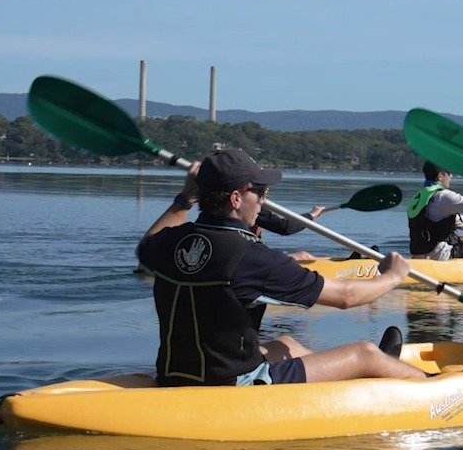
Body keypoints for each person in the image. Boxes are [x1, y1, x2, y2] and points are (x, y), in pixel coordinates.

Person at [136, 144, 426, 386]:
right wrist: (393, 276)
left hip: (175, 374)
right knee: (365, 353)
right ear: (236, 198)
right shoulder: (253, 257)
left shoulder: (170, 241)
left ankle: (364, 377)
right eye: (260, 192)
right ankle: (426, 384)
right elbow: (346, 297)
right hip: (232, 383)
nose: (264, 201)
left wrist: (185, 200)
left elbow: (144, 246)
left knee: (285, 345)